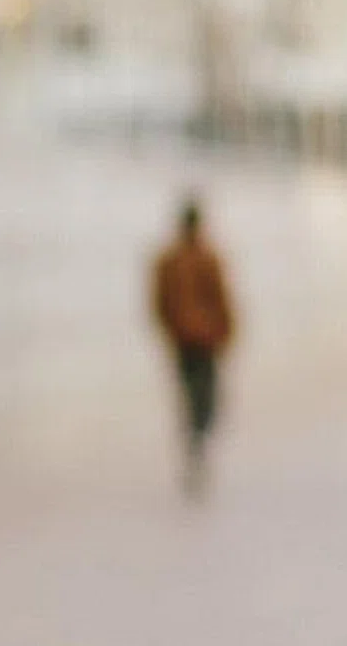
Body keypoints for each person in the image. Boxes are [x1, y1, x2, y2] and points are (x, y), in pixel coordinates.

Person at [152, 198, 236, 497]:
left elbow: (221, 299)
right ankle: (195, 443)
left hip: (200, 342)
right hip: (193, 342)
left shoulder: (195, 258)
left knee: (200, 399)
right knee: (198, 397)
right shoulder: (179, 260)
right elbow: (162, 302)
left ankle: (196, 442)